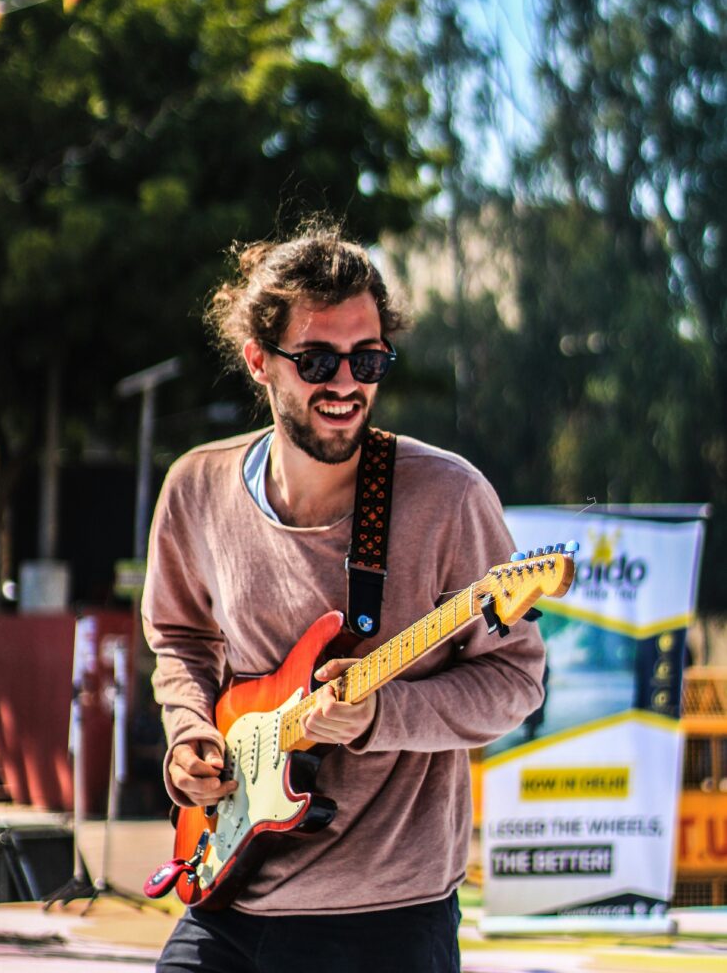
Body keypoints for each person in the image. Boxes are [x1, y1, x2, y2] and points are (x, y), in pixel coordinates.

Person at [142, 226, 546, 973]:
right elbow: (179, 637)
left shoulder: (448, 498)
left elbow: (515, 681)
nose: (345, 384)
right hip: (226, 900)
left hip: (385, 920)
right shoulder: (196, 487)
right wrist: (190, 733)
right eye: (318, 360)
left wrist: (382, 716)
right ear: (259, 360)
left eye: (367, 361)